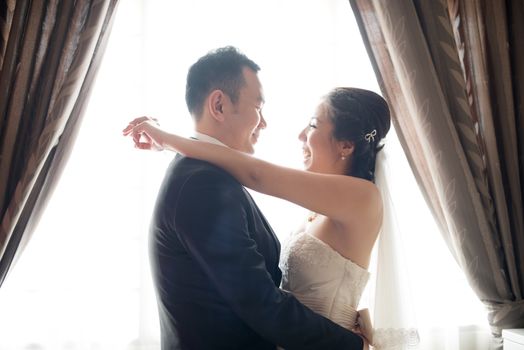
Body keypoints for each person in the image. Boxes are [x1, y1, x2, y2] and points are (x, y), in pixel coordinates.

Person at [124, 47, 367, 350]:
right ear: (219, 105)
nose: (263, 123)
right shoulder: (204, 185)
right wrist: (350, 344)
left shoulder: (203, 173)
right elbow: (259, 302)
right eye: (258, 107)